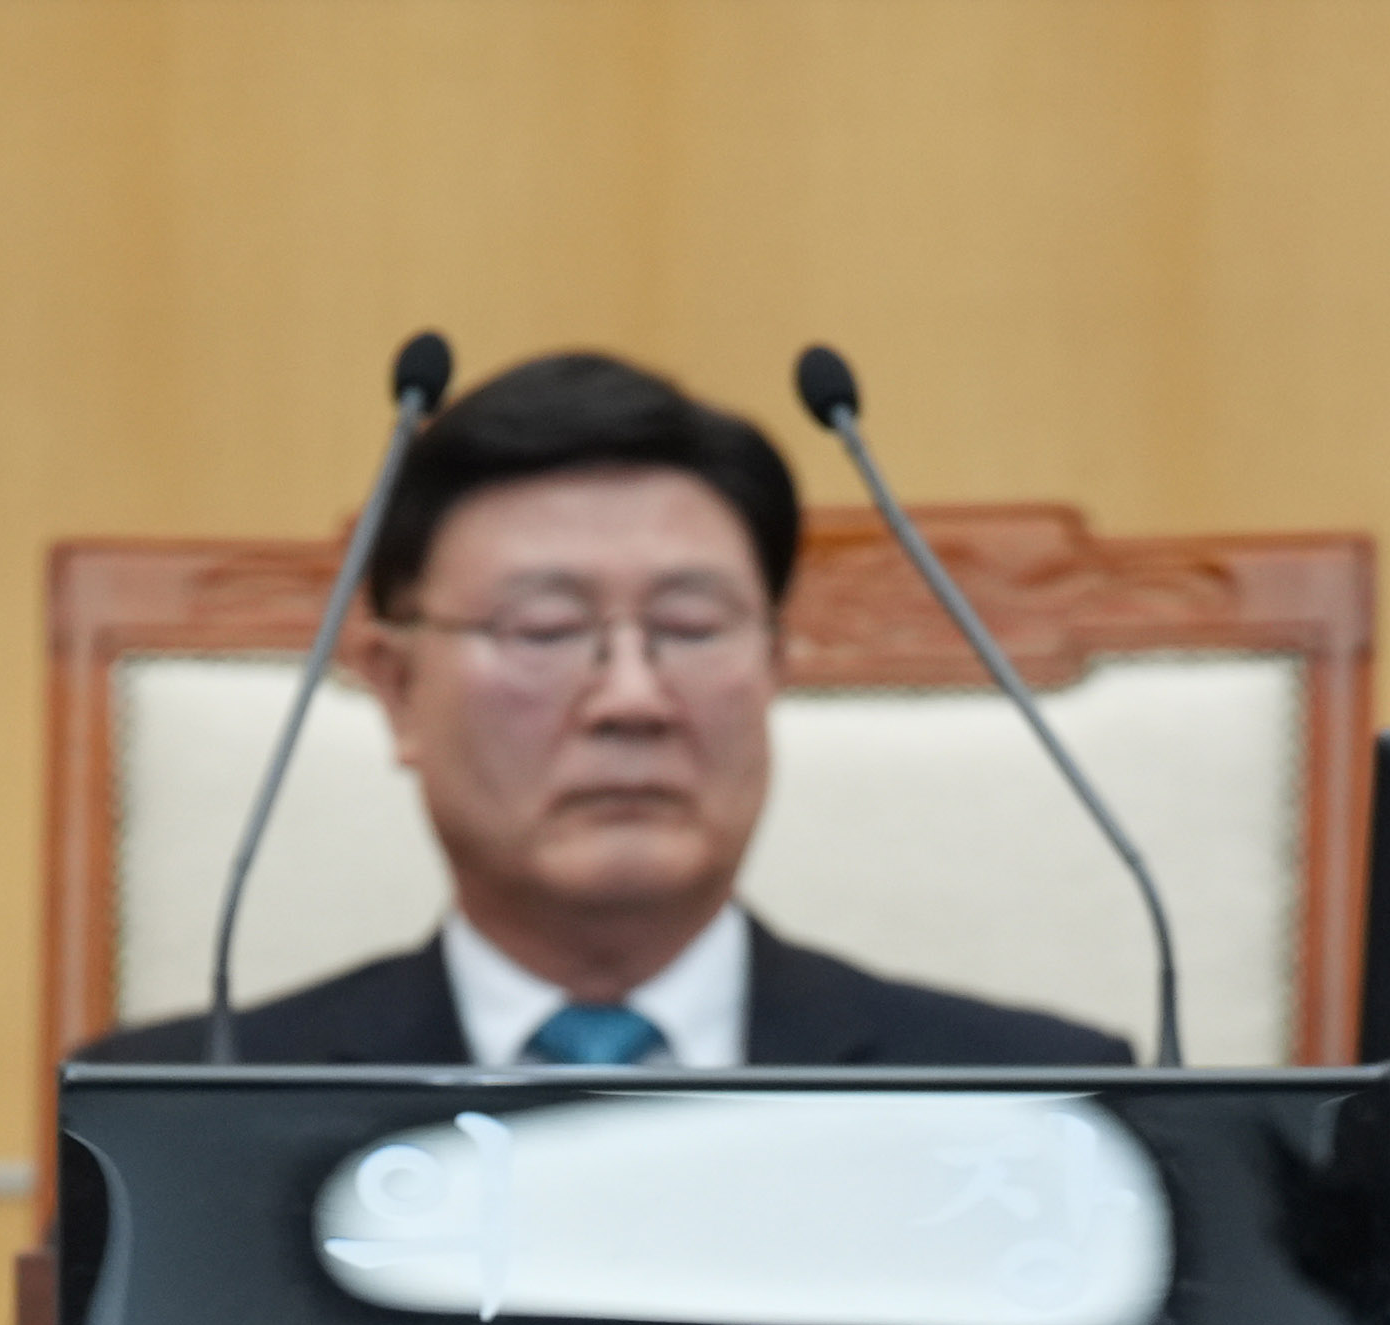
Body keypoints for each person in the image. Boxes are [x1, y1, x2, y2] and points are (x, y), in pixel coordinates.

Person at [71, 350, 1126, 1073]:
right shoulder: (183, 1108)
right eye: (543, 629)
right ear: (398, 690)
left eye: (691, 624)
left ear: (775, 669)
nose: (631, 699)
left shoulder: (1029, 1098)